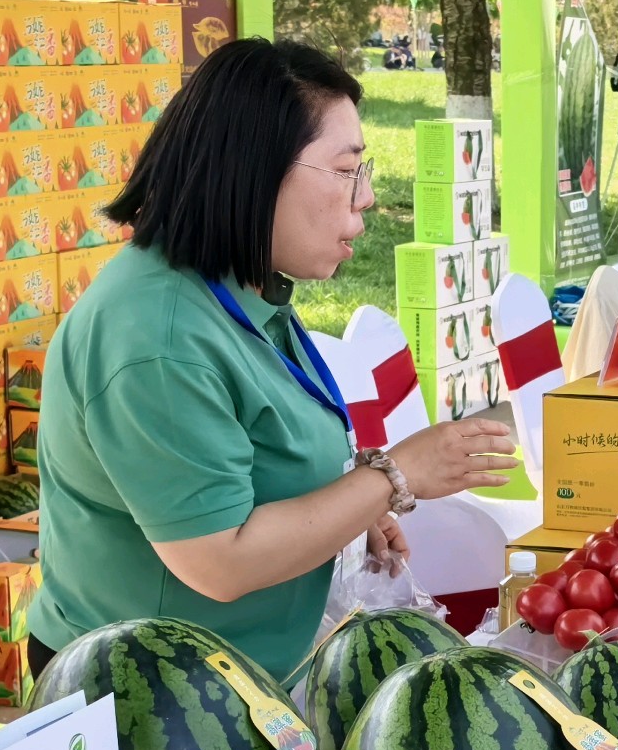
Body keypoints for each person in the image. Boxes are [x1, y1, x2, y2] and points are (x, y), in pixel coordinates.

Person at [33, 39, 515, 680]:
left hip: (237, 678)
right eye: (346, 171)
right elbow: (221, 561)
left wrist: (349, 512)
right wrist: (393, 477)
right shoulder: (158, 339)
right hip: (148, 694)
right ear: (254, 170)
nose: (367, 197)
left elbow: (257, 455)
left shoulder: (241, 287)